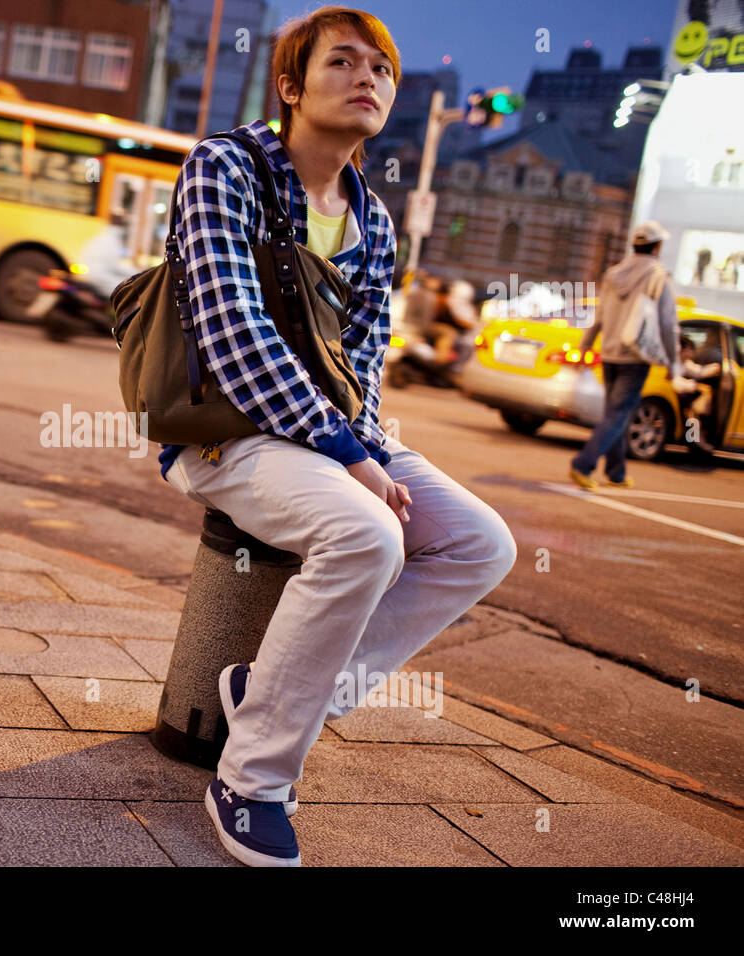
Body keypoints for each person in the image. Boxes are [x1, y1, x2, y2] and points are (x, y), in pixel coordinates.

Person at [159, 5, 516, 866]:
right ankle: (251, 777)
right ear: (290, 84)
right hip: (223, 428)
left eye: (383, 70)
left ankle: (284, 694)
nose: (368, 79)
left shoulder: (374, 220)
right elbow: (233, 334)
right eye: (344, 63)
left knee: (480, 542)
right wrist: (352, 459)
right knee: (366, 533)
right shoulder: (226, 168)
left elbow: (362, 362)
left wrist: (367, 445)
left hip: (324, 438)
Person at [569, 221, 681, 490]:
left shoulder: (613, 274)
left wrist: (585, 347)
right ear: (657, 246)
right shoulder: (657, 276)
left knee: (614, 413)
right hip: (635, 356)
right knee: (618, 414)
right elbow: (667, 323)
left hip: (609, 353)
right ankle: (583, 464)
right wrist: (673, 363)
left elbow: (600, 315)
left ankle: (616, 472)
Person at [671, 333, 722, 453]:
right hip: (674, 395)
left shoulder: (685, 363)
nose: (691, 351)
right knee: (692, 412)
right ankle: (695, 440)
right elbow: (676, 383)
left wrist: (714, 368)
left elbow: (698, 371)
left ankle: (694, 439)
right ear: (680, 349)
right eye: (688, 348)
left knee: (697, 406)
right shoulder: (673, 363)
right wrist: (694, 385)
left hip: (683, 394)